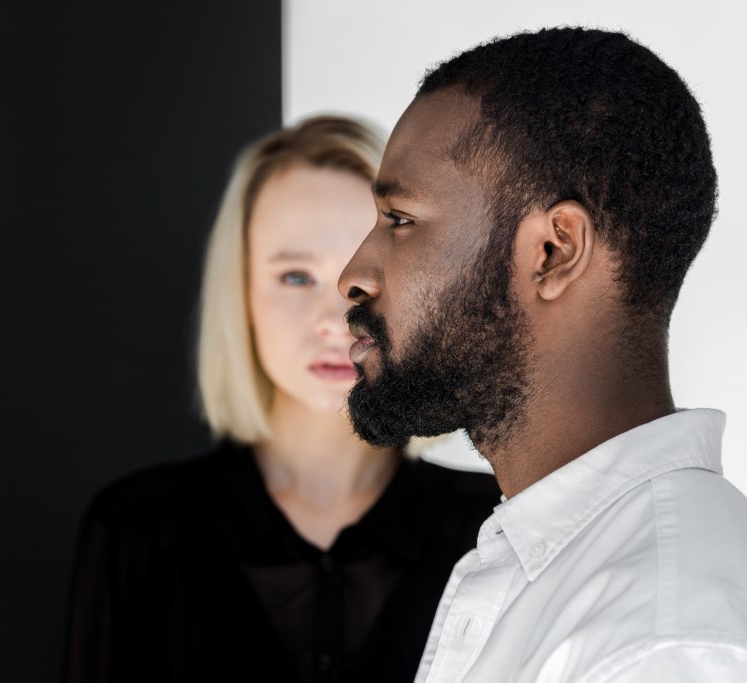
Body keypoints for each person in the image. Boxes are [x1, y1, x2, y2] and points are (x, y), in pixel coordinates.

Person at [337, 26, 747, 683]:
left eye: (401, 220)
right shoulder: (563, 569)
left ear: (553, 251)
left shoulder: (663, 644)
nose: (353, 274)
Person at [63, 115, 502, 683]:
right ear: (240, 292)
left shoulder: (494, 531)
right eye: (295, 277)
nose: (332, 320)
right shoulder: (138, 529)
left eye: (361, 275)